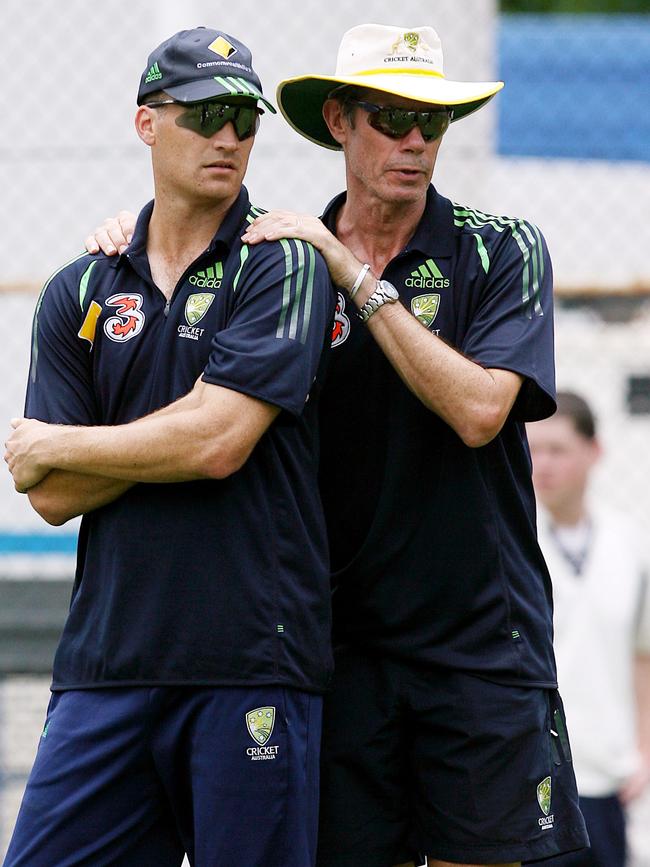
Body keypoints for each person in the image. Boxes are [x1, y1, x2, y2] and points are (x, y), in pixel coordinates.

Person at [76, 22, 591, 867]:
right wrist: (125, 245)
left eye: (435, 122)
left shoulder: (501, 247)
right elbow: (181, 329)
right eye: (392, 118)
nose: (417, 141)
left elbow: (478, 413)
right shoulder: (278, 264)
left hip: (480, 644)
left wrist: (359, 279)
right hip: (334, 650)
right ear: (341, 122)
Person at [3, 26, 335, 867]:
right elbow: (50, 496)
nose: (229, 137)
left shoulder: (282, 261)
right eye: (205, 114)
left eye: (244, 117)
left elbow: (220, 440)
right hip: (107, 666)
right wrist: (138, 445)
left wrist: (63, 441)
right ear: (148, 123)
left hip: (252, 660)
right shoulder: (81, 285)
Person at [527, 390, 650, 867]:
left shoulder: (632, 546)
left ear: (594, 452)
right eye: (533, 450)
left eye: (557, 449)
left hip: (607, 777)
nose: (543, 464)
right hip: (532, 779)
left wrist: (643, 751)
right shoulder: (510, 543)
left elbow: (642, 653)